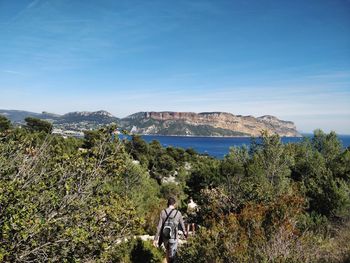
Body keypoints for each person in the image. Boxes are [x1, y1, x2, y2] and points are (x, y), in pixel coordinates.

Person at [153, 197, 187, 263]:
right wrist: (185, 233)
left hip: (165, 237)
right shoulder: (178, 213)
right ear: (174, 204)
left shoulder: (163, 212)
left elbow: (159, 227)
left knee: (168, 253)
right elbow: (183, 226)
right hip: (174, 238)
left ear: (167, 204)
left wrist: (155, 239)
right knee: (172, 256)